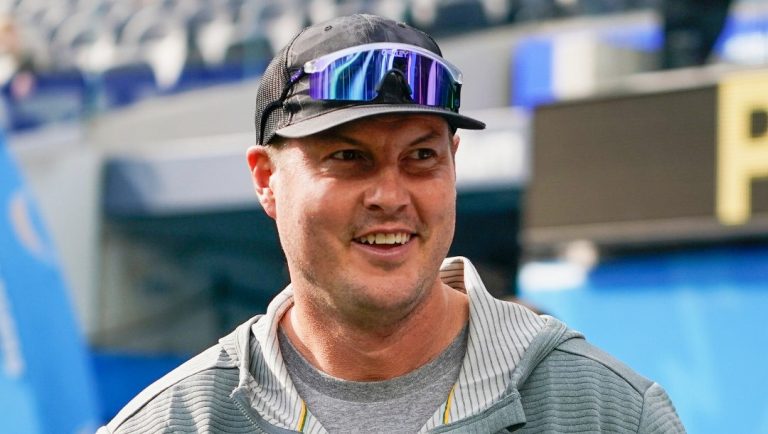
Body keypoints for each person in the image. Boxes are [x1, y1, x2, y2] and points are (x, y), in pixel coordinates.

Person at [99, 14, 685, 433]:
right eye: (348, 157)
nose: (390, 195)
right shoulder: (175, 423)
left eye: (421, 156)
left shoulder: (610, 414)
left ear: (454, 162)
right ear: (265, 180)